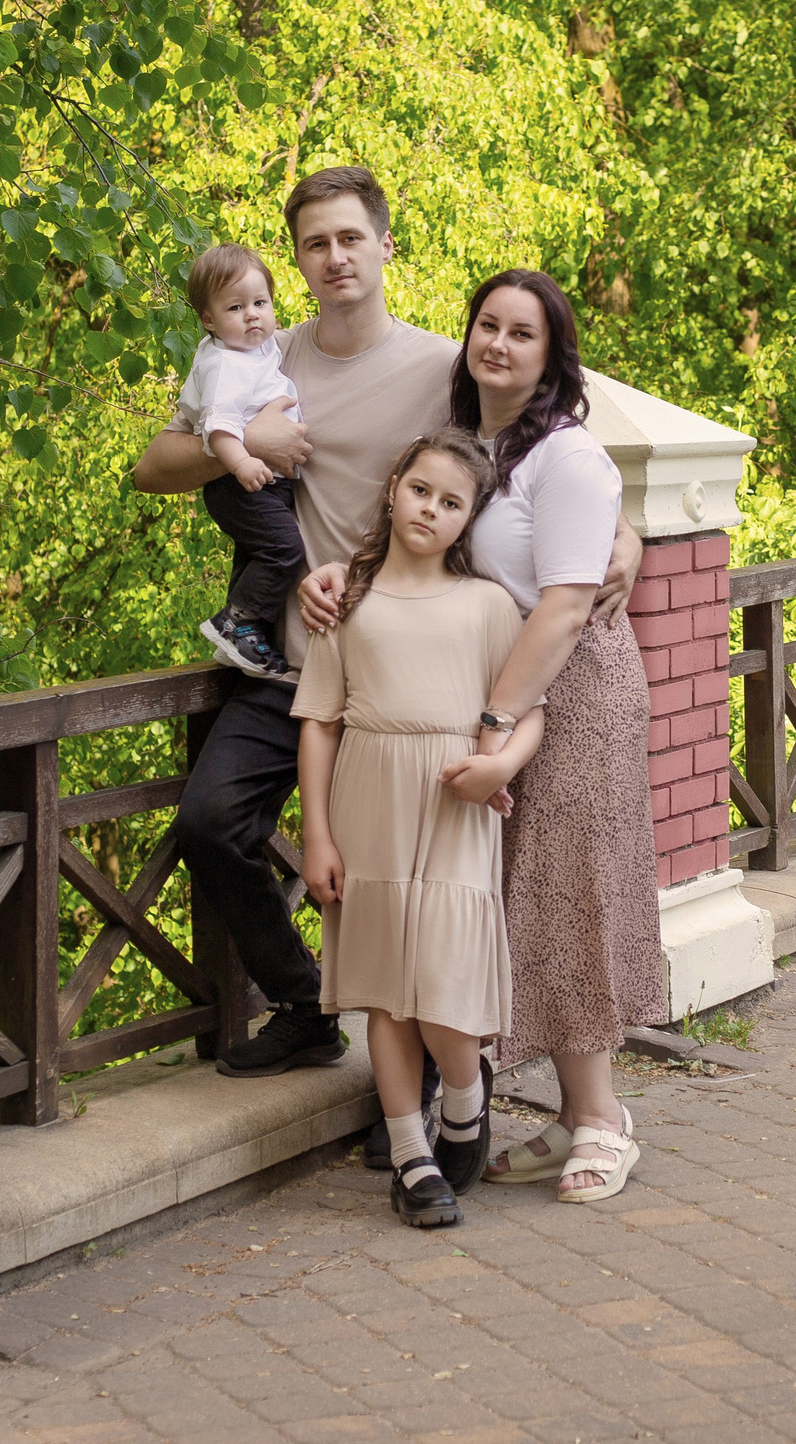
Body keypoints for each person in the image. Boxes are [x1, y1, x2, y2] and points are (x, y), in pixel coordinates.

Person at [130, 165, 641, 1082]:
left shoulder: (442, 366)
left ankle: (438, 1096)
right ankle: (301, 1002)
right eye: (315, 244)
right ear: (296, 260)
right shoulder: (257, 357)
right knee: (211, 823)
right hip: (291, 661)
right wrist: (249, 449)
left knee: (418, 885)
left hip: (409, 676)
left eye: (350, 238)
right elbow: (155, 464)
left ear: (384, 246)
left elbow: (541, 444)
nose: (334, 258)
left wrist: (626, 532)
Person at [442, 269, 664, 1204]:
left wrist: (494, 718)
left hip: (572, 698)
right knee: (525, 891)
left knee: (572, 889)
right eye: (485, 325)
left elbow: (569, 604)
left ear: (551, 354)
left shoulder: (565, 454)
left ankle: (607, 1121)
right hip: (518, 691)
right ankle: (573, 1113)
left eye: (520, 333)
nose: (497, 343)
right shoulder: (483, 444)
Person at [294, 430, 540, 1228]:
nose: (430, 509)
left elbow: (529, 708)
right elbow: (321, 723)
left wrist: (499, 764)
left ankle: (465, 1103)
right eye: (420, 489)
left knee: (442, 984)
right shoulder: (348, 602)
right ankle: (411, 1155)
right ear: (393, 486)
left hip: (454, 806)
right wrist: (318, 836)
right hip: (368, 799)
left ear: (468, 520)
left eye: (451, 501)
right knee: (385, 996)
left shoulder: (489, 605)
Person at [176, 243, 303, 679]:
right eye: (236, 307)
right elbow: (218, 426)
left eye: (260, 303)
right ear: (208, 320)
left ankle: (246, 642)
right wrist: (241, 463)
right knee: (284, 549)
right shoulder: (226, 365)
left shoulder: (254, 349)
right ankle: (236, 625)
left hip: (257, 480)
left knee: (254, 557)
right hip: (241, 480)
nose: (252, 315)